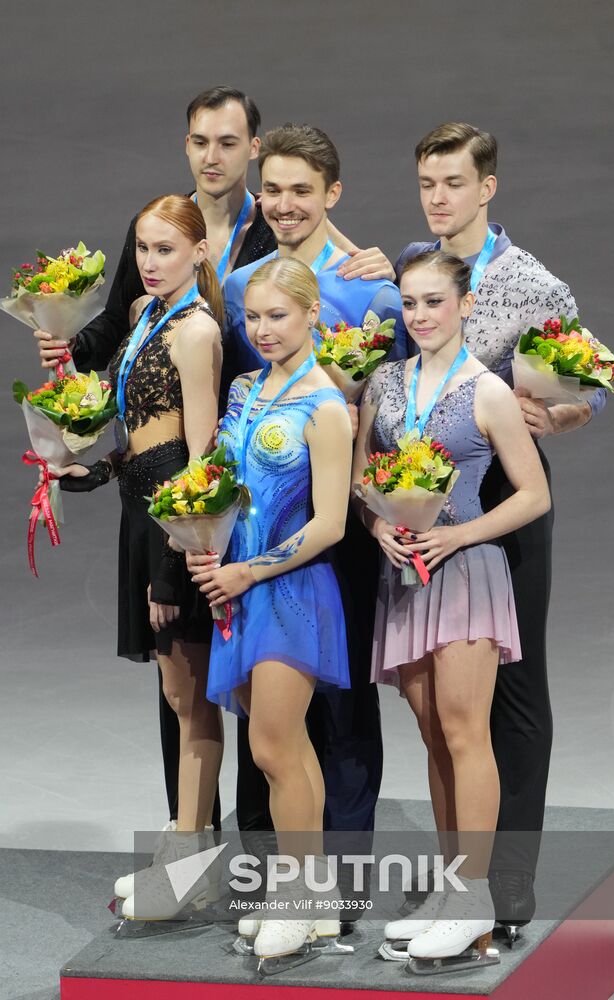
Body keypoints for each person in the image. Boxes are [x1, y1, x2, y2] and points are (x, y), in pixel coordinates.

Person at [33, 87, 389, 836]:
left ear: (250, 151)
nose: (213, 155)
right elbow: (118, 327)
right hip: (218, 500)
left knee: (303, 703)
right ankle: (219, 851)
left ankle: (316, 873)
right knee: (205, 694)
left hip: (283, 497)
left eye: (228, 142)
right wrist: (72, 358)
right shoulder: (181, 243)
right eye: (201, 141)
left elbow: (323, 251)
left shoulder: (311, 256)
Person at [394, 123, 607, 932]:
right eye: (427, 183)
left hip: (504, 499)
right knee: (437, 692)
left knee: (513, 687)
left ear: (487, 187)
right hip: (421, 502)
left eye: (453, 182)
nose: (438, 198)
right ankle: (458, 871)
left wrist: (567, 412)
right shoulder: (418, 269)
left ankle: (508, 874)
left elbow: (593, 376)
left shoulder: (533, 283)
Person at [352, 250, 550, 963]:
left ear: (464, 306)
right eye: (409, 303)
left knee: (466, 733)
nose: (420, 315)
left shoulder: (488, 392)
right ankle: (448, 887)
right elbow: (359, 483)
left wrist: (457, 534)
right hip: (404, 579)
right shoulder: (383, 383)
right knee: (434, 734)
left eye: (433, 301)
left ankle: (474, 901)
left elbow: (533, 494)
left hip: (465, 571)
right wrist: (378, 527)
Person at [223, 123, 407, 841]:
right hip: (261, 527)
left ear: (332, 192)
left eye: (301, 190)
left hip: (341, 521)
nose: (284, 204)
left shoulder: (373, 287)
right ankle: (265, 862)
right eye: (271, 189)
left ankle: (346, 870)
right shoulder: (242, 286)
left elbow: (391, 406)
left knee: (342, 698)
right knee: (261, 703)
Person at [53, 195, 225, 919]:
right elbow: (144, 434)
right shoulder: (143, 316)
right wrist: (95, 473)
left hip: (174, 531)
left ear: (198, 253)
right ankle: (189, 850)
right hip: (141, 516)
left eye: (164, 249)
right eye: (143, 250)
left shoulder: (196, 333)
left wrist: (169, 565)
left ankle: (190, 862)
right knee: (177, 696)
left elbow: (199, 455)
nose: (149, 263)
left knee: (192, 702)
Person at [187, 257, 353, 965]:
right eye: (252, 317)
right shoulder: (245, 389)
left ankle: (291, 897)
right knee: (289, 750)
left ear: (311, 314)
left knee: (271, 749)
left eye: (276, 316)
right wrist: (200, 541)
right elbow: (221, 483)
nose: (261, 330)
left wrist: (246, 569)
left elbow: (330, 524)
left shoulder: (326, 406)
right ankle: (310, 900)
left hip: (287, 592)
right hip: (235, 590)